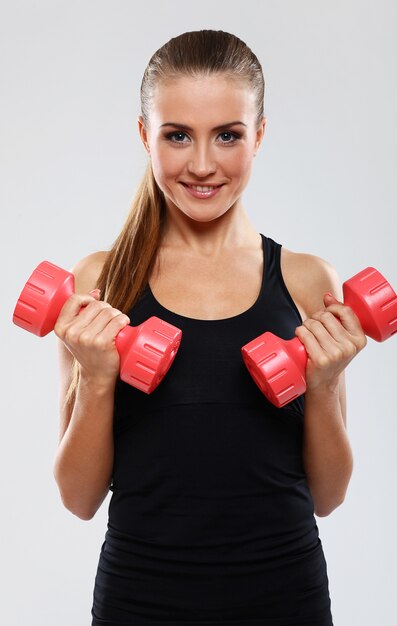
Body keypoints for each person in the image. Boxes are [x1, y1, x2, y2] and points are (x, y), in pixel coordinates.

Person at [53, 29, 366, 626]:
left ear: (261, 134)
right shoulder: (100, 282)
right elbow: (78, 499)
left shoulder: (305, 279)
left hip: (285, 596)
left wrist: (323, 385)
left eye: (228, 135)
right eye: (177, 135)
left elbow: (328, 496)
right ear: (145, 136)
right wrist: (96, 380)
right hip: (139, 600)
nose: (202, 164)